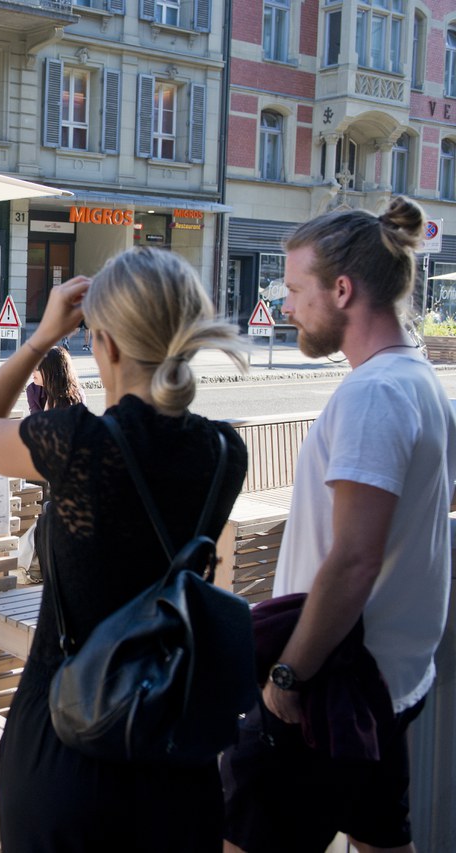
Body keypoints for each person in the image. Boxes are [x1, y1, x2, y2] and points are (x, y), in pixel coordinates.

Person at [0, 247, 249, 852]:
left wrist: (39, 340)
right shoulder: (223, 452)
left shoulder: (77, 445)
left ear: (104, 344)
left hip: (68, 746)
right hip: (175, 746)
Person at [221, 197, 456, 853]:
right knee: (382, 837)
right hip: (390, 677)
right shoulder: (420, 382)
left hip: (331, 685)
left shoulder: (373, 394)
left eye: (296, 288)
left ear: (343, 289)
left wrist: (286, 678)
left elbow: (353, 559)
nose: (285, 304)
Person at [25, 345, 85, 413]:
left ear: (51, 370)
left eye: (37, 368)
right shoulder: (33, 390)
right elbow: (37, 421)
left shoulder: (76, 394)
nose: (32, 371)